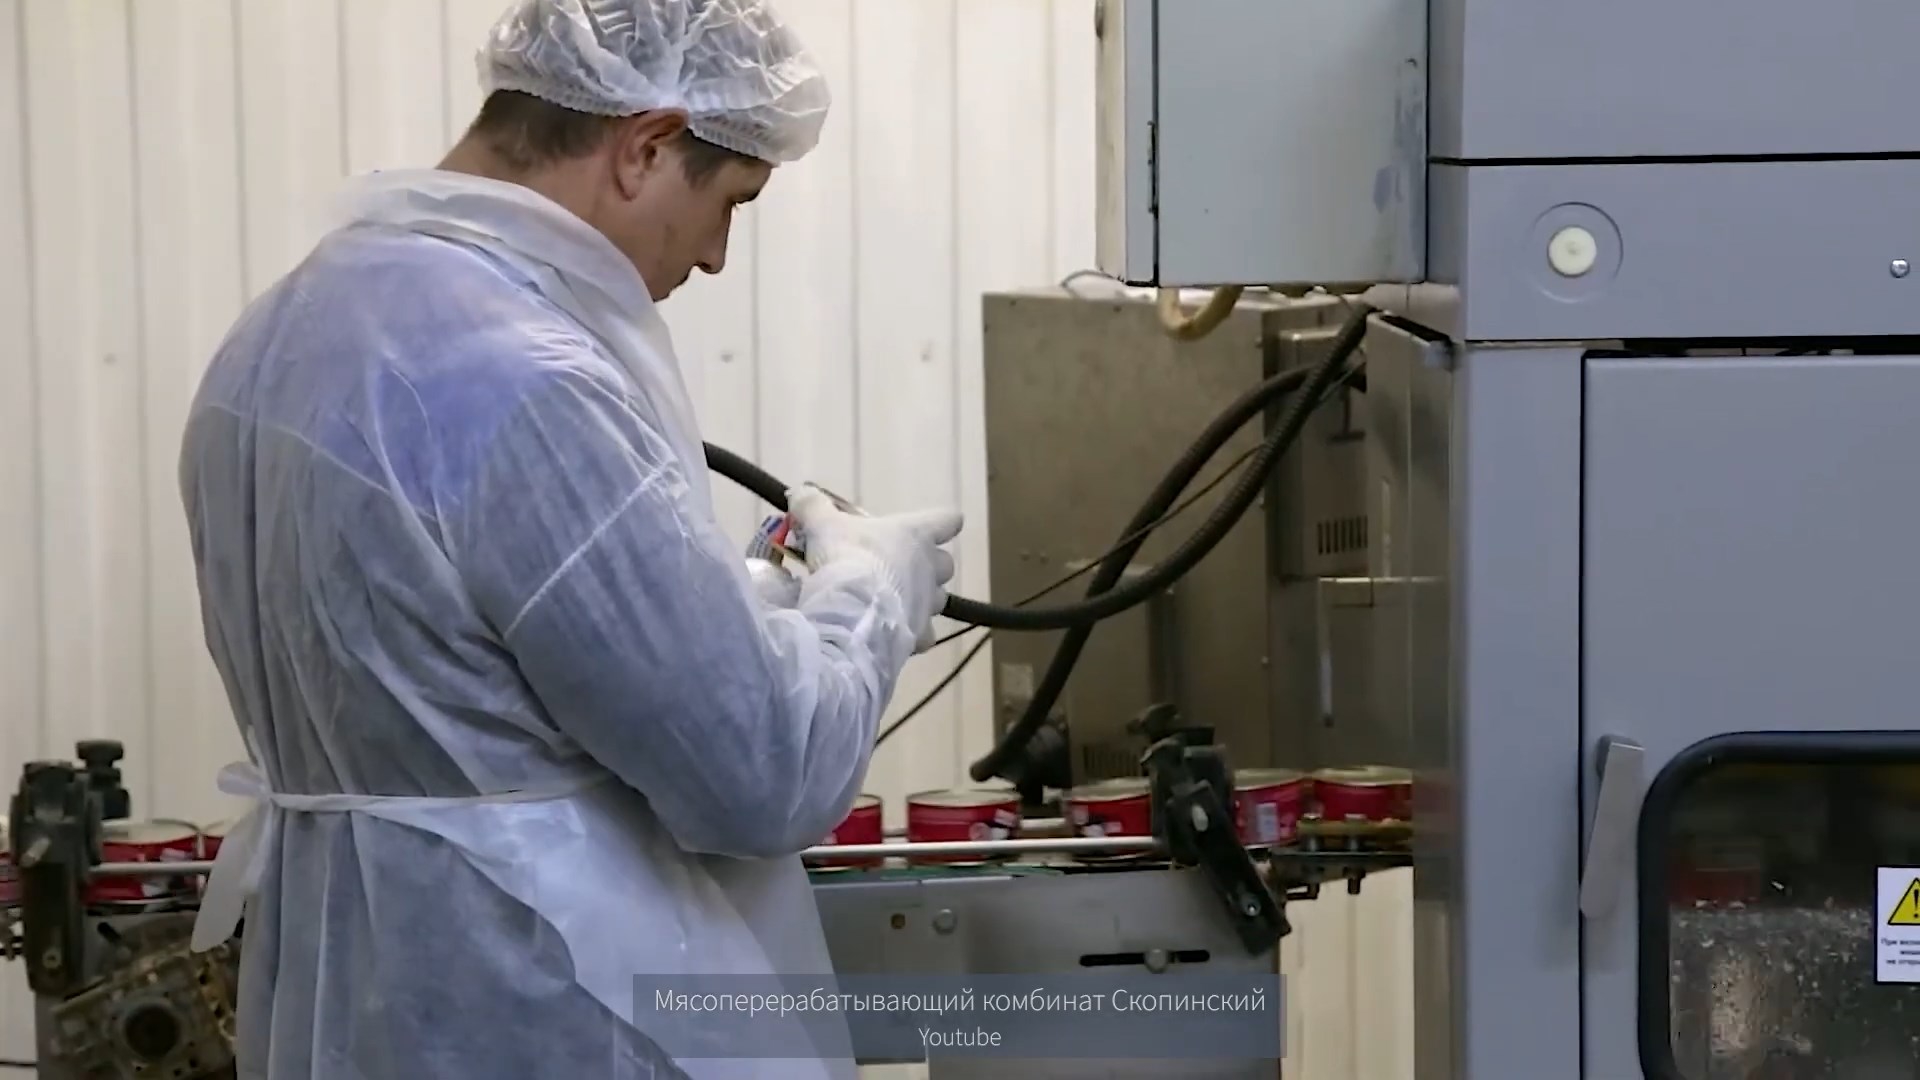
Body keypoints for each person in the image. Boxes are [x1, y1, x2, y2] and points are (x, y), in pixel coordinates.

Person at [177, 1, 962, 1076]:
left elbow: (466, 670)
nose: (717, 256)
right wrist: (869, 593)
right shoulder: (526, 379)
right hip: (543, 1007)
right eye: (730, 202)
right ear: (646, 147)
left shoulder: (273, 340)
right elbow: (761, 771)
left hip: (353, 997)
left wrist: (749, 615)